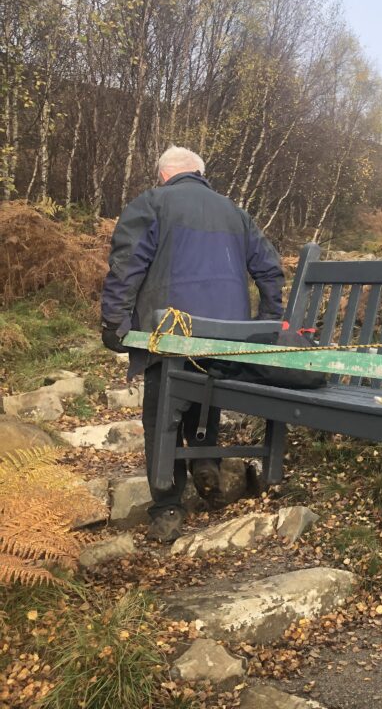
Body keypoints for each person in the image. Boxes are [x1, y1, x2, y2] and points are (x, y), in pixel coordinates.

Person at [101, 146, 284, 542]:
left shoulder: (152, 202)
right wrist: (266, 324)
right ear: (200, 173)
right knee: (206, 389)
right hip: (226, 339)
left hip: (171, 334)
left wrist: (114, 323)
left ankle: (168, 504)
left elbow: (127, 265)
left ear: (163, 175)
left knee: (160, 413)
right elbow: (270, 269)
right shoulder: (235, 212)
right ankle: (205, 461)